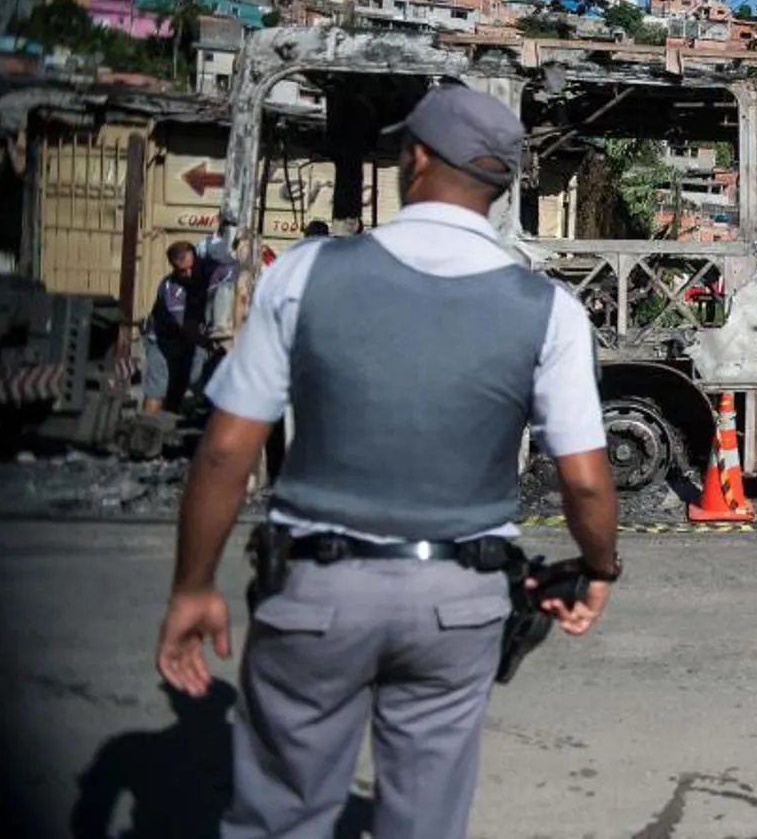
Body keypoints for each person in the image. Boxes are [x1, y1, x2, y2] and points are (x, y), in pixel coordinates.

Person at [153, 83, 620, 839]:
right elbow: (586, 479)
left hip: (314, 590)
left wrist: (192, 585)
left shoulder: (306, 272)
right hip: (460, 601)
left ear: (417, 158)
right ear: (501, 183)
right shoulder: (550, 310)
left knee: (281, 816)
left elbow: (226, 452)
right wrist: (599, 569)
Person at [142, 237, 238, 416]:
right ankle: (146, 428)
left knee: (188, 381)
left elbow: (231, 265)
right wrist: (213, 344)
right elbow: (188, 328)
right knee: (159, 386)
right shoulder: (171, 289)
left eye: (190, 267)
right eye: (182, 271)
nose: (188, 273)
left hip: (190, 340)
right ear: (173, 268)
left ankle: (170, 420)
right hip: (162, 340)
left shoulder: (209, 272)